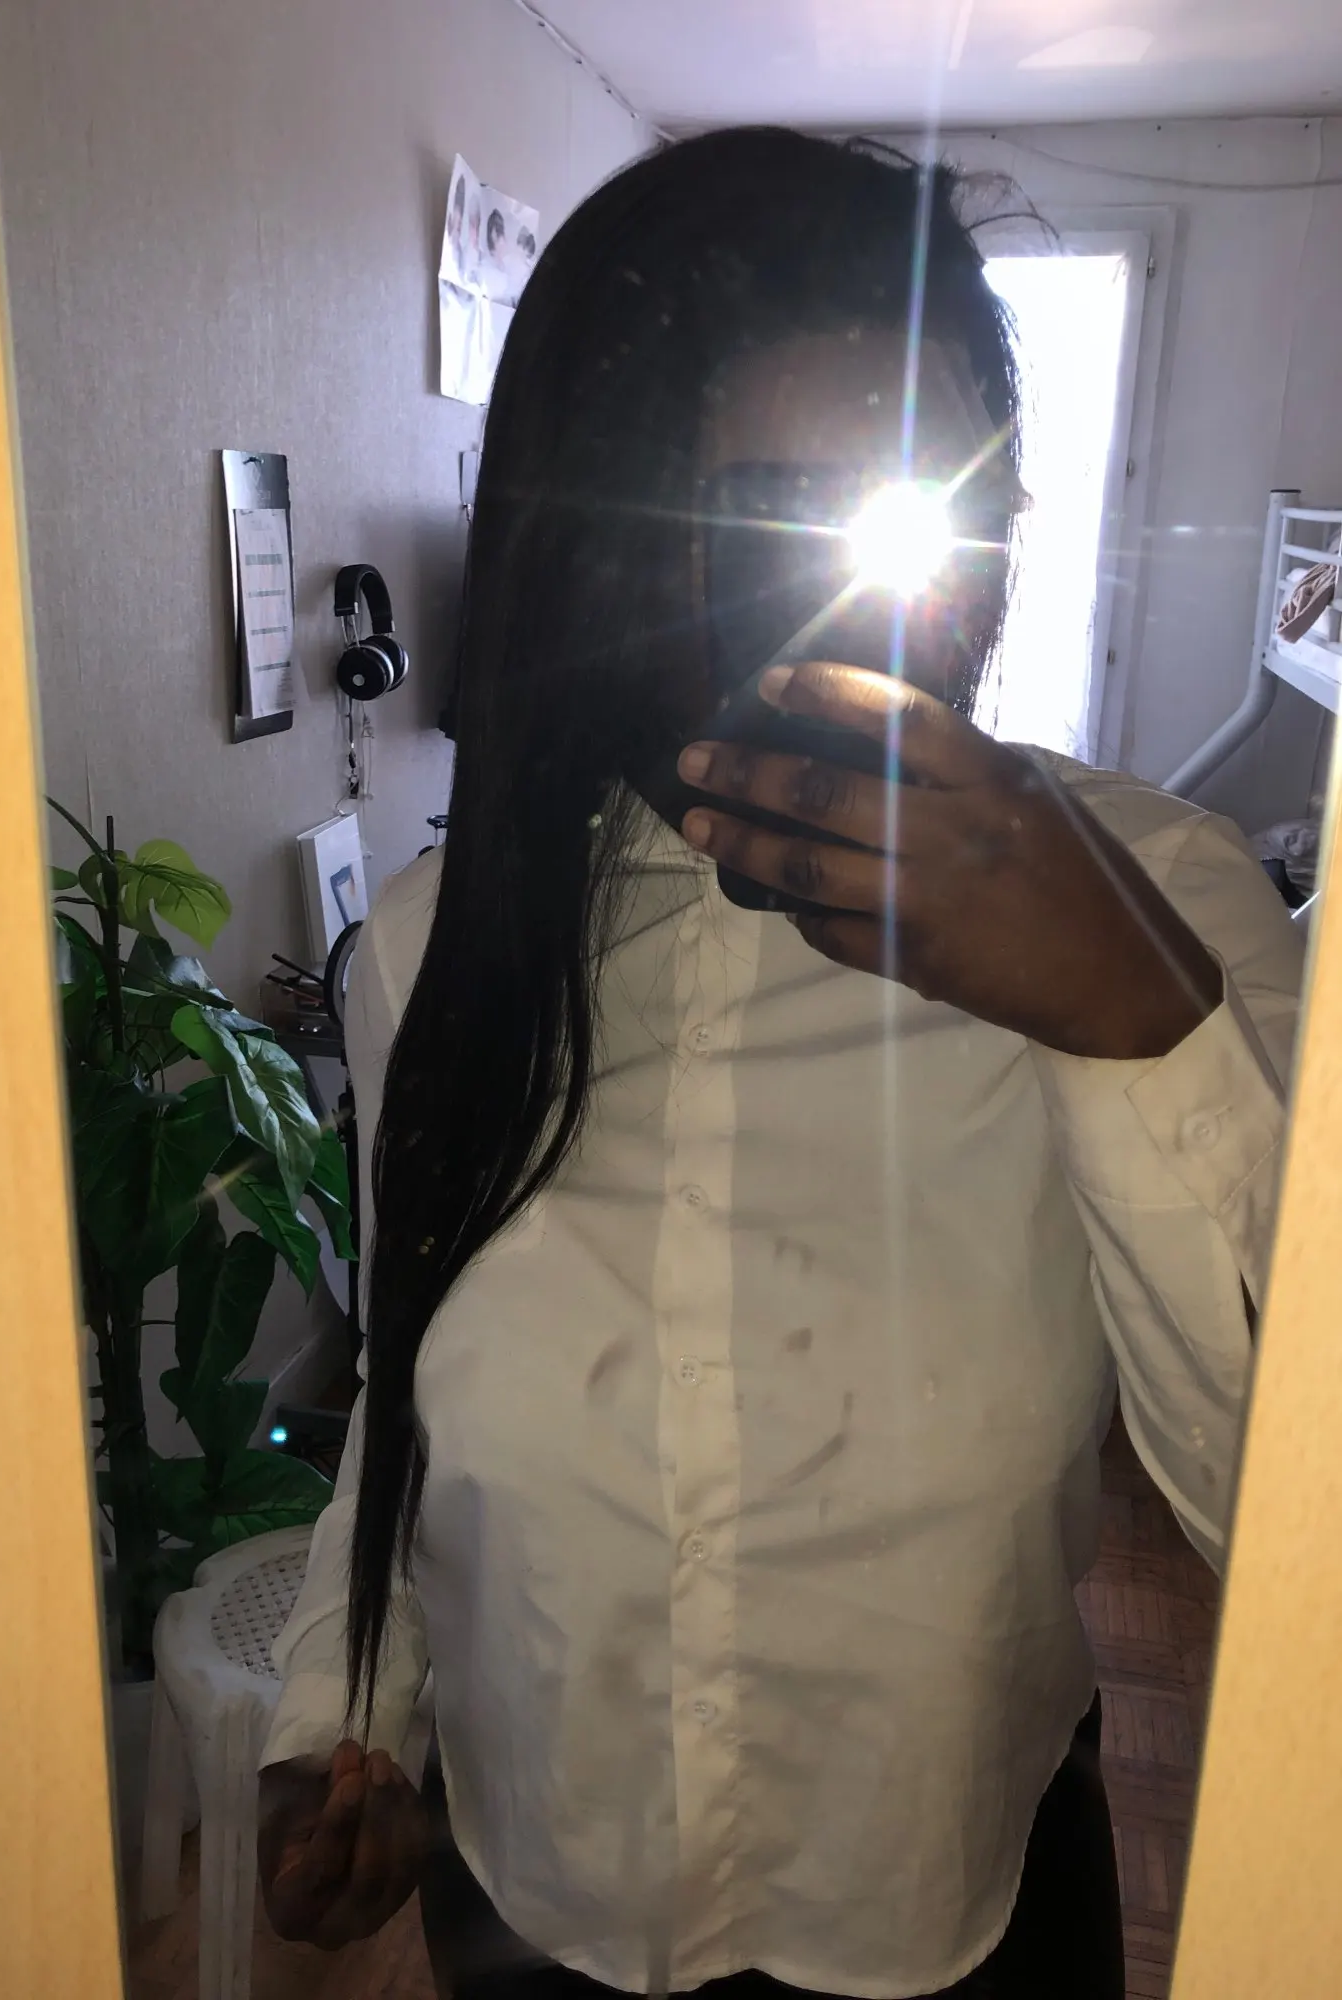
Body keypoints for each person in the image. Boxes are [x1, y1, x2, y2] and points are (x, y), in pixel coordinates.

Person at [257, 129, 1302, 1999]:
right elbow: (403, 1415)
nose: (897, 597)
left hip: (953, 1925)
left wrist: (1133, 1023)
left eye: (930, 499)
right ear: (608, 544)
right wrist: (344, 1721)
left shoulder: (1165, 908)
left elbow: (1291, 1522)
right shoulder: (436, 945)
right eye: (773, 515)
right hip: (527, 1911)